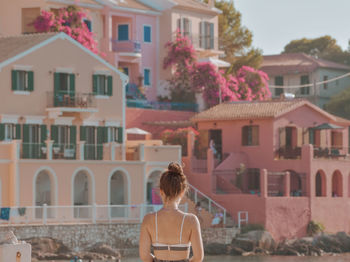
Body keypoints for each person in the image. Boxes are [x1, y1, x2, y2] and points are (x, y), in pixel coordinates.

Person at [139, 163, 204, 262]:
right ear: (182, 192)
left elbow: (144, 256)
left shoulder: (149, 219)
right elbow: (198, 257)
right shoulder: (191, 220)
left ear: (161, 191)